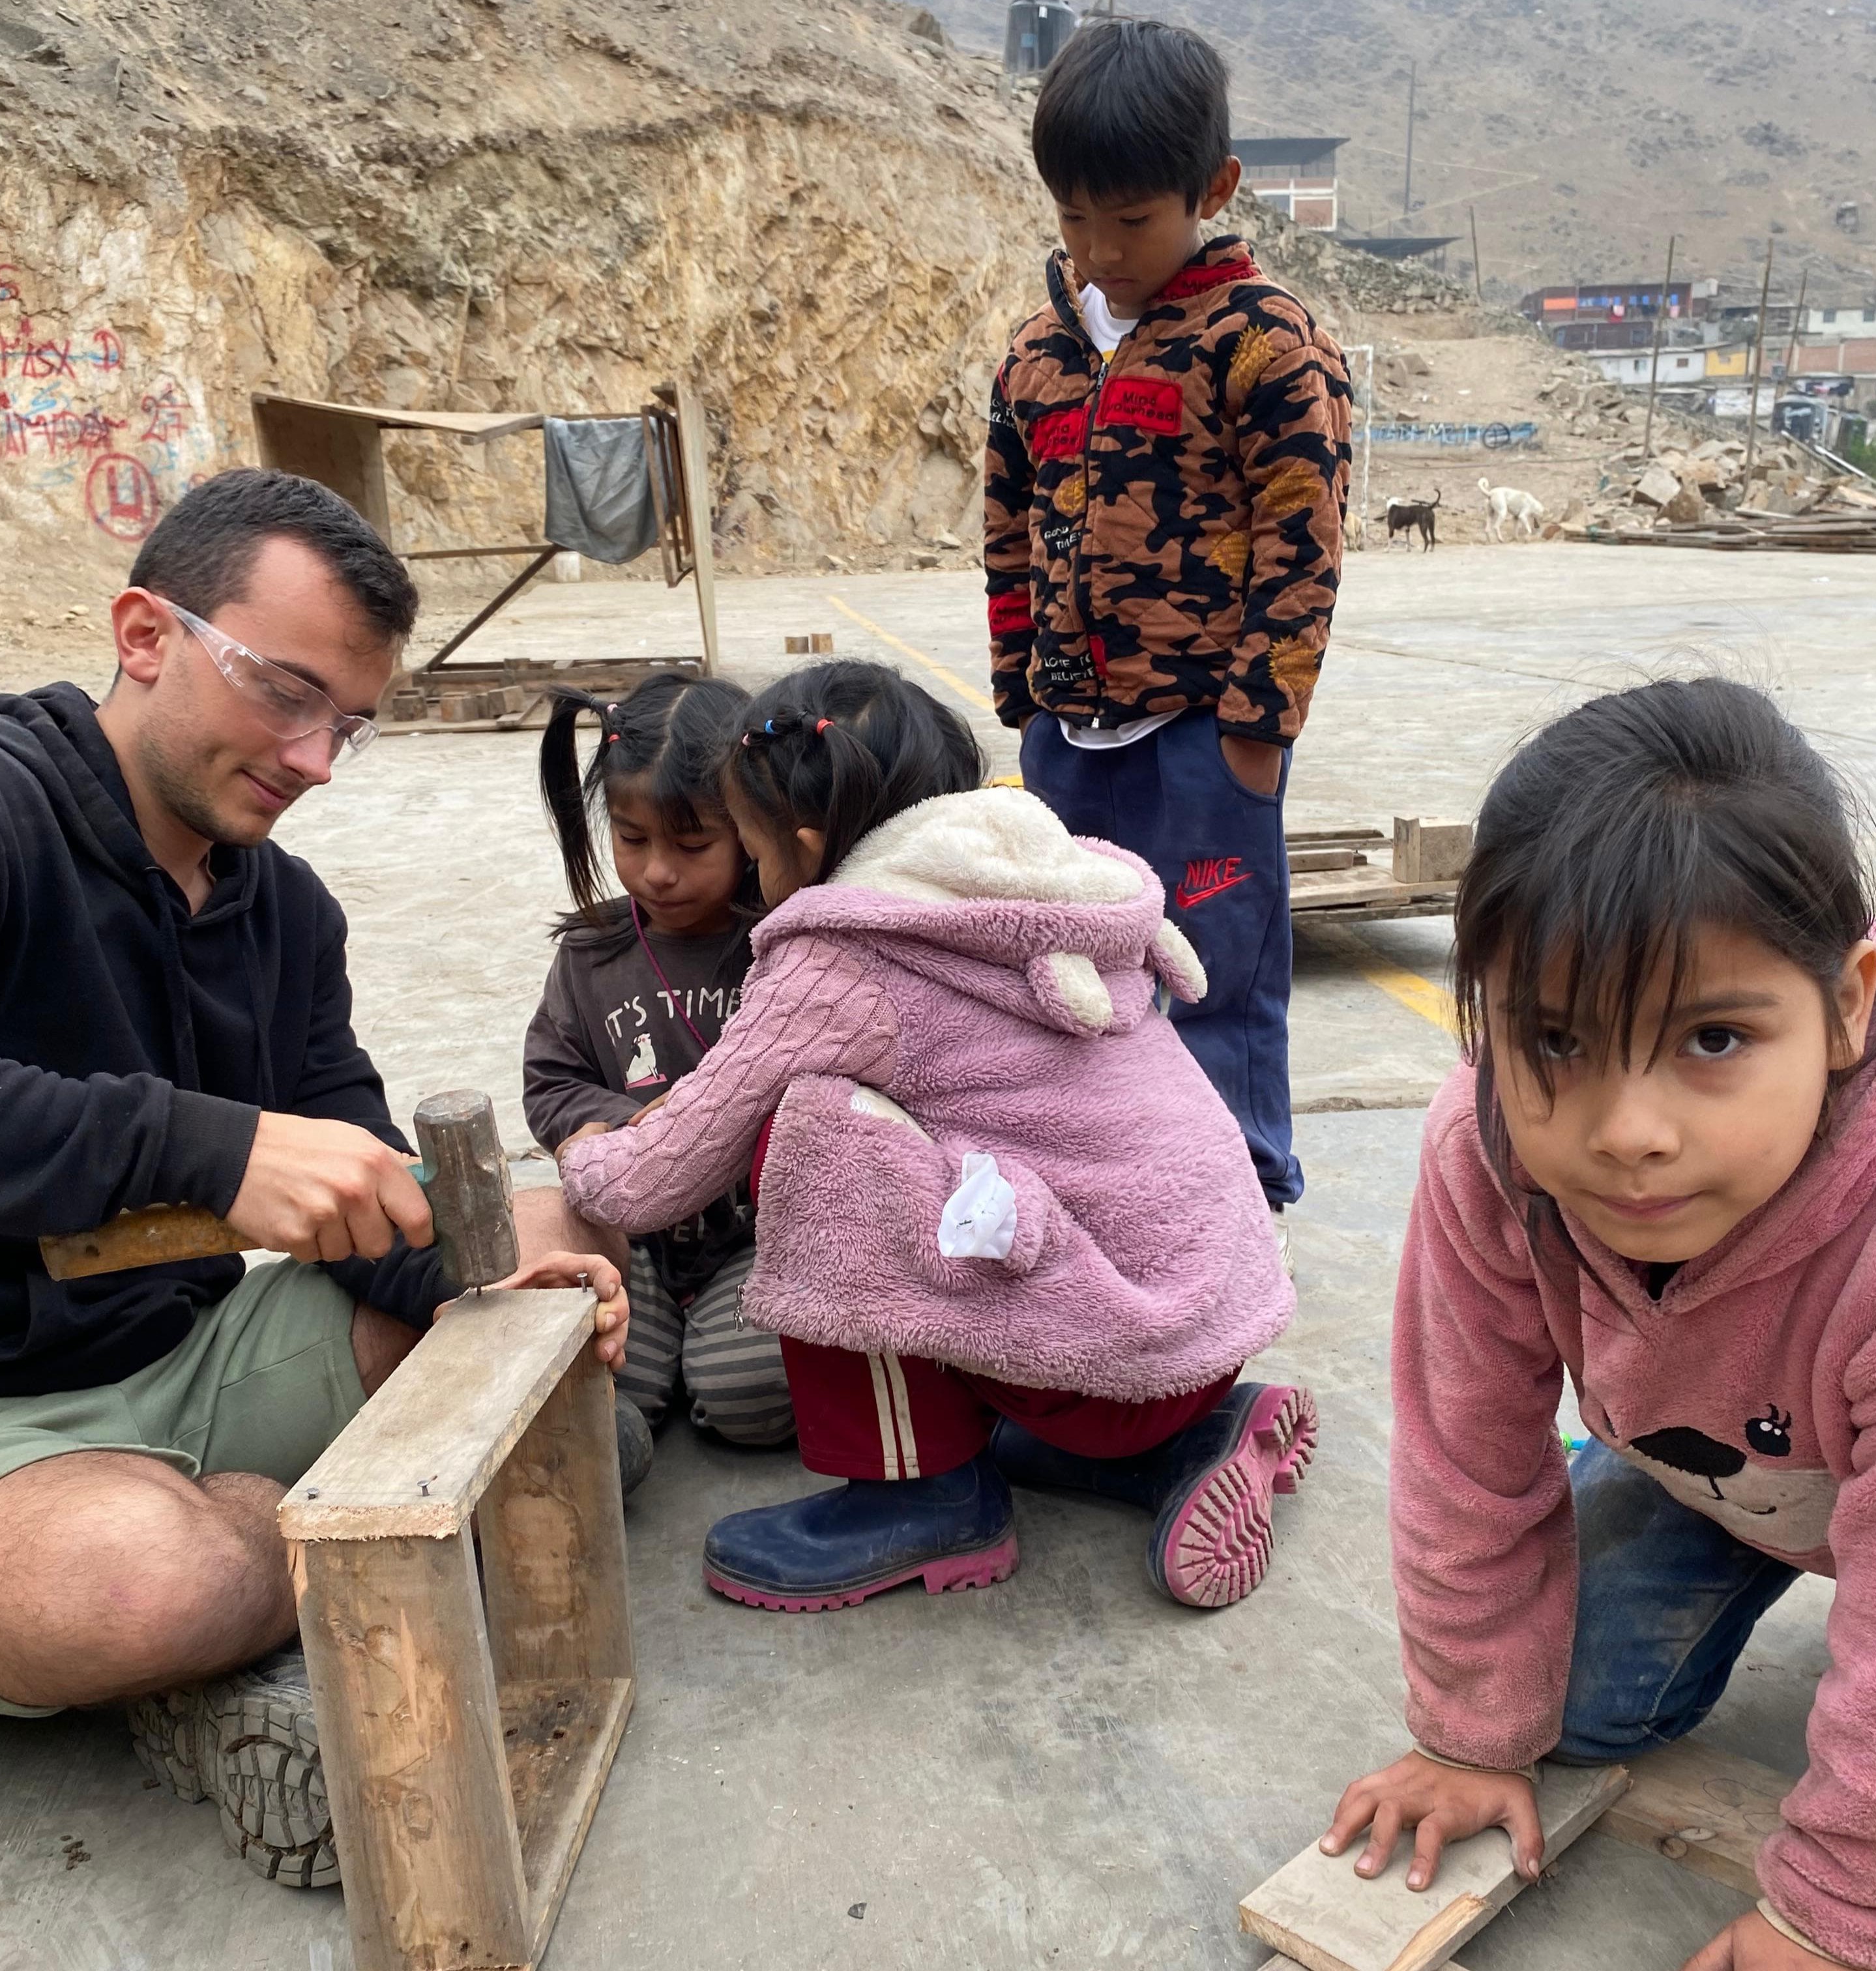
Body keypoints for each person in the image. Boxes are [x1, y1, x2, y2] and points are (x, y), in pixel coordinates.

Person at [0, 469, 626, 1887]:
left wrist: (484, 1282)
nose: (314, 760)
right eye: (286, 694)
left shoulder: (284, 909)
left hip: (192, 1356)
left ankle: (276, 1586)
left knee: (560, 1233)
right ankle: (274, 1589)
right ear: (143, 634)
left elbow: (355, 1178)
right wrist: (208, 1148)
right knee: (134, 1583)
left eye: (348, 726)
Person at [1322, 679, 1876, 1971]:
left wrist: (1844, 1908)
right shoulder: (1489, 1156)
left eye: (1712, 1038)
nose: (1628, 1133)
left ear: (1851, 1003)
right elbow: (1465, 1454)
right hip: (1732, 1479)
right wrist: (1466, 1737)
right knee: (1551, 1706)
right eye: (1561, 1042)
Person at [559, 660, 1315, 1613]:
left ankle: (917, 1493)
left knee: (810, 1134)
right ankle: (1188, 1446)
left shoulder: (841, 954)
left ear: (800, 844)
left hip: (1107, 1364)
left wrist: (580, 1160)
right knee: (951, 1152)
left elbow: (655, 1181)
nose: (755, 883)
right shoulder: (1038, 884)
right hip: (1200, 1334)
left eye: (751, 856)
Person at [982, 18, 1353, 1266]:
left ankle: (1237, 1205)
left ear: (1214, 191)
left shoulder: (1262, 343)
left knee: (1215, 975)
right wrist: (1015, 691)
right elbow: (1006, 524)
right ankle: (1106, 1181)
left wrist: (1256, 728)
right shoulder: (1034, 355)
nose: (1097, 251)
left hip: (1205, 735)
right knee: (1078, 964)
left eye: (1128, 221)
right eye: (1072, 219)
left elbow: (1301, 541)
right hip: (1068, 736)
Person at [516, 675, 794, 1490]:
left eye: (693, 845)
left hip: (756, 1240)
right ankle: (661, 1362)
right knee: (610, 1377)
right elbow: (550, 1084)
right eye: (633, 840)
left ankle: (714, 1361)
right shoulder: (592, 953)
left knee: (745, 1398)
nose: (659, 872)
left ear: (750, 828)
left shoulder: (785, 945)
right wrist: (627, 1121)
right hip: (629, 1240)